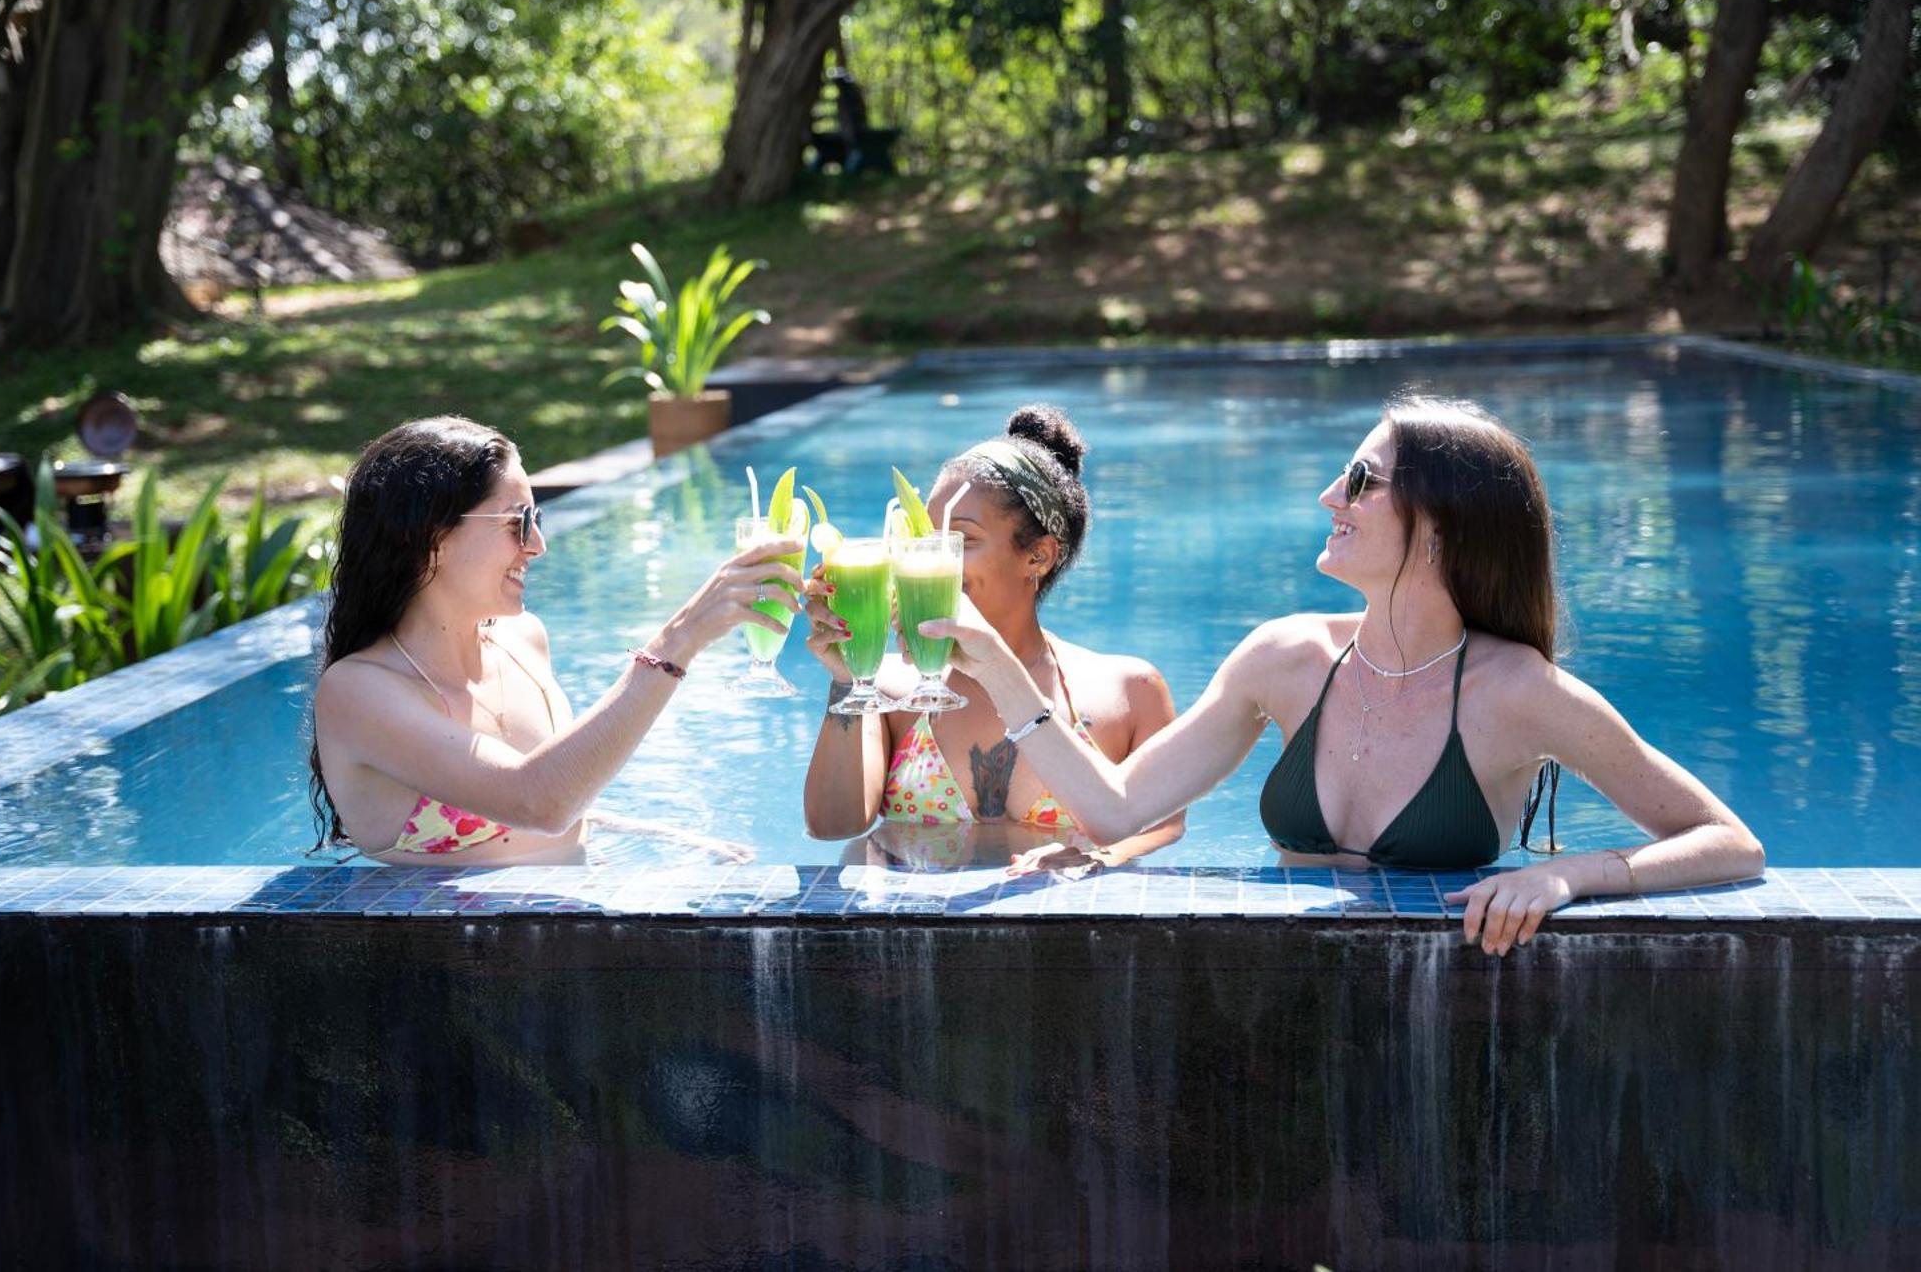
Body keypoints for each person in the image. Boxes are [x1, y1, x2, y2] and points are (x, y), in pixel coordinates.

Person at [922, 396, 1765, 948]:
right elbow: (1112, 811)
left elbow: (1730, 844)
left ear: (1438, 526)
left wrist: (1565, 875)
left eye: (1361, 480)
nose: (1331, 494)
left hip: (1460, 1013)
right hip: (1289, 995)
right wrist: (999, 669)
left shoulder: (1517, 693)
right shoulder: (1286, 659)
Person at [310, 416, 803, 863]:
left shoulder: (522, 641)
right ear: (430, 538)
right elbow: (537, 803)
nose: (537, 546)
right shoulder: (360, 692)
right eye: (517, 523)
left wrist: (673, 840)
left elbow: (558, 815)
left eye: (536, 521)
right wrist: (680, 639)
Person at [802, 405, 1186, 872]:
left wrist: (1096, 857)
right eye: (926, 539)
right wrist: (847, 682)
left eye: (960, 541)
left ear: (1038, 556)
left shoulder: (1128, 690)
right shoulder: (888, 687)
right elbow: (833, 826)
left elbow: (1163, 825)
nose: (934, 561)